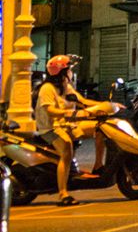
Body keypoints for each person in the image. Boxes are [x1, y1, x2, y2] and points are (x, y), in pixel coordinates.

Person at [35, 55, 106, 206]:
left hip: (67, 125)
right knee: (66, 149)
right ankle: (63, 194)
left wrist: (103, 107)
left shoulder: (65, 86)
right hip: (50, 128)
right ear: (61, 72)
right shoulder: (47, 88)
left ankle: (98, 166)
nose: (71, 73)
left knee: (101, 129)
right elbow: (50, 111)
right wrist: (71, 113)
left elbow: (82, 102)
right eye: (69, 69)